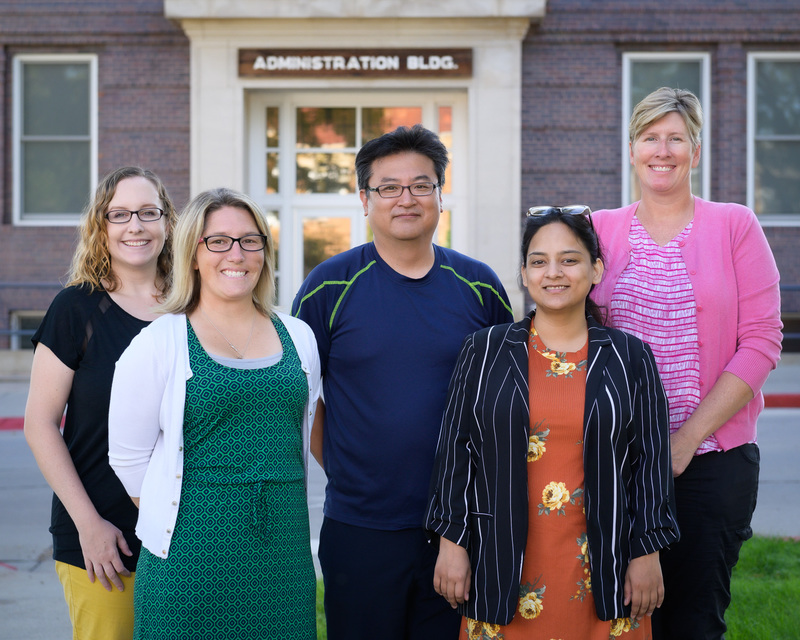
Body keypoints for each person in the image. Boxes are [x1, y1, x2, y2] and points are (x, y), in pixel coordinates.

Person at [291, 124, 513, 639]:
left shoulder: (479, 287)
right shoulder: (328, 287)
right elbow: (298, 399)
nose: (406, 199)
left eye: (421, 185)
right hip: (361, 526)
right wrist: (352, 470)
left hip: (463, 525)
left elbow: (509, 402)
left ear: (440, 193)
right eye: (389, 187)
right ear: (365, 199)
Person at [425, 206, 679, 639]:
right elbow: (455, 451)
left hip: (607, 567)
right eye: (539, 261)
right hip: (502, 563)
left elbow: (650, 461)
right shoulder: (484, 351)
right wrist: (452, 541)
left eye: (570, 259)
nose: (553, 272)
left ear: (596, 269)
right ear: (524, 274)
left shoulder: (631, 356)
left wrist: (648, 550)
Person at [591, 87, 783, 640]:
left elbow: (763, 341)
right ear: (631, 150)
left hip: (710, 462)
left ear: (695, 152)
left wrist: (683, 440)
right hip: (614, 462)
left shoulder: (734, 225)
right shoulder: (598, 228)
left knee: (694, 622)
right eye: (650, 137)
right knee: (613, 618)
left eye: (677, 138)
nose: (663, 149)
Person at [108, 188, 321, 639]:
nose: (237, 254)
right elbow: (128, 461)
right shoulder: (159, 342)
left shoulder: (299, 337)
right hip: (189, 557)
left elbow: (300, 436)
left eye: (250, 240)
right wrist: (192, 522)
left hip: (283, 555)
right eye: (218, 241)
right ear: (192, 255)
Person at [24, 166, 175, 640]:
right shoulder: (77, 308)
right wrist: (88, 524)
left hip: (184, 530)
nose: (136, 226)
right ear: (101, 226)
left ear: (168, 223)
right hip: (102, 532)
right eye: (120, 214)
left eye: (148, 213)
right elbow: (39, 424)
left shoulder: (191, 307)